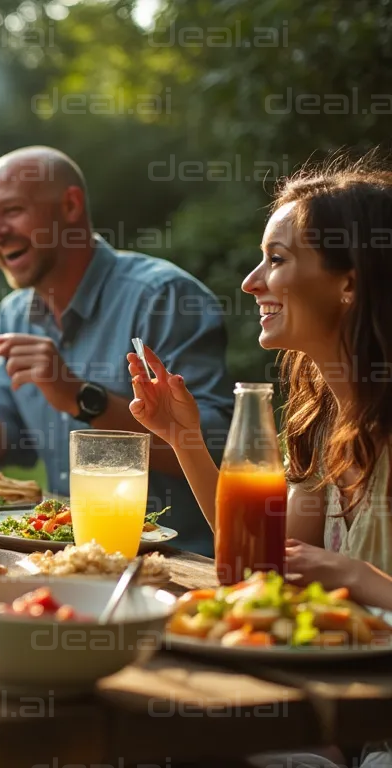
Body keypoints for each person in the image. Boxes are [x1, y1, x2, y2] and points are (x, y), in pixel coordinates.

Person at [0, 146, 233, 556]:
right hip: (62, 556)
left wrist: (79, 397)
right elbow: (6, 438)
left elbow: (218, 452)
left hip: (178, 563)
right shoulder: (15, 312)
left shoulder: (163, 297)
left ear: (70, 206)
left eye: (12, 210)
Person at [130, 158, 392, 607]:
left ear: (348, 282)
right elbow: (261, 560)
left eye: (276, 259)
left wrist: (356, 576)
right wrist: (183, 437)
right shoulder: (324, 423)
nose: (251, 283)